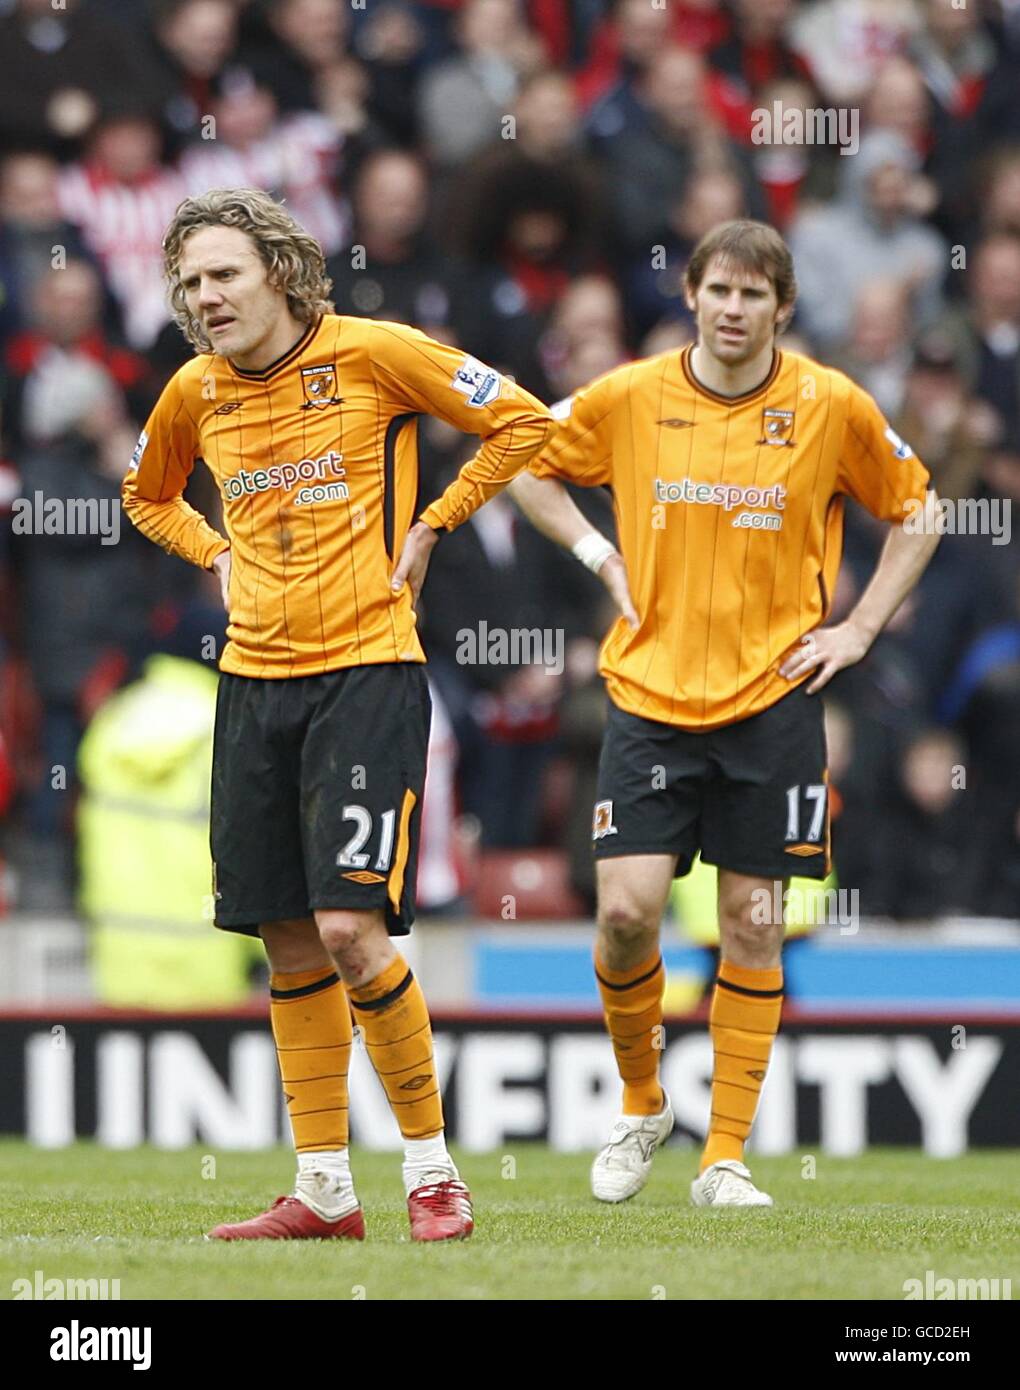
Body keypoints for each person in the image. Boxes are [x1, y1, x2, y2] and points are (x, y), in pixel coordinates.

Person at [121, 187, 552, 1241]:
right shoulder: (194, 390)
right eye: (188, 281)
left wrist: (437, 523)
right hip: (252, 685)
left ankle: (432, 1168)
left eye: (223, 272)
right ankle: (324, 1191)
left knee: (353, 927)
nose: (204, 295)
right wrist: (213, 550)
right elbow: (146, 494)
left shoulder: (373, 353)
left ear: (279, 267)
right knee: (289, 942)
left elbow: (524, 418)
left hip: (367, 671)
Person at [505, 219, 941, 1207]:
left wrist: (861, 629)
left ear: (783, 307)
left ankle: (724, 1158)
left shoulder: (830, 405)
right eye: (719, 291)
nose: (734, 310)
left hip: (772, 700)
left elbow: (921, 508)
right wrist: (597, 555)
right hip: (651, 698)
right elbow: (523, 461)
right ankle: (644, 1099)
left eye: (755, 295)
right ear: (691, 297)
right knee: (625, 913)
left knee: (753, 922)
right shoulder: (632, 393)